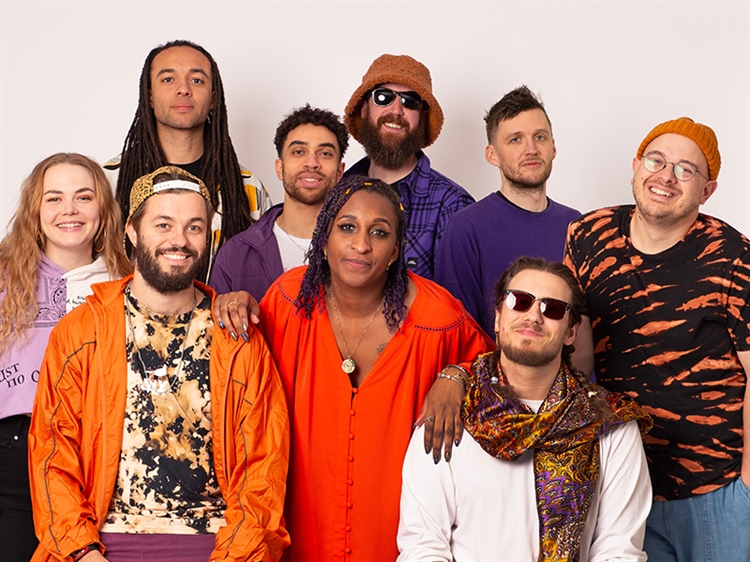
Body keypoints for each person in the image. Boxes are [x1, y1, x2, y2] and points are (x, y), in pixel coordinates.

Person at [29, 166, 289, 562]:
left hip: (214, 543)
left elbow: (264, 467)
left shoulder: (236, 339)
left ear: (208, 236)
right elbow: (52, 452)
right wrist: (84, 553)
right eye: (163, 224)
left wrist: (235, 557)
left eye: (194, 227)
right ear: (132, 231)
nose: (179, 240)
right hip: (101, 541)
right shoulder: (82, 331)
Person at [257, 174, 493, 561]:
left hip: (398, 541)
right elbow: (244, 378)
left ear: (396, 251)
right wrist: (229, 304)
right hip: (299, 535)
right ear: (324, 238)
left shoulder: (438, 320)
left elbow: (501, 370)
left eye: (379, 233)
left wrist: (457, 375)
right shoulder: (287, 301)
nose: (361, 244)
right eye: (347, 227)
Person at [564, 117, 750, 560]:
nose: (666, 176)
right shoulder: (588, 236)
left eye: (686, 169)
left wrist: (748, 484)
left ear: (707, 191)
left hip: (716, 490)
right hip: (623, 486)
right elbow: (577, 357)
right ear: (636, 166)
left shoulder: (734, 256)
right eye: (656, 160)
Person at [398, 257, 653, 561]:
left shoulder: (610, 424)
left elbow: (619, 552)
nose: (533, 316)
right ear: (497, 318)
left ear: (571, 332)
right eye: (519, 301)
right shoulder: (450, 415)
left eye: (553, 309)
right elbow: (423, 546)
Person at [0, 153, 131, 562]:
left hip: (102, 456)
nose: (69, 209)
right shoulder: (4, 276)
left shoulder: (128, 284)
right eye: (54, 198)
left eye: (84, 197)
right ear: (35, 209)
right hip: (16, 457)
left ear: (103, 210)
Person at [104, 39, 271, 280]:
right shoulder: (109, 181)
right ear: (149, 96)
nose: (183, 89)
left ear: (213, 99)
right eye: (168, 79)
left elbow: (265, 276)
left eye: (197, 80)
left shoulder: (247, 188)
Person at [435, 86, 580, 336]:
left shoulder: (576, 225)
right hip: (491, 362)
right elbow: (457, 330)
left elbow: (584, 322)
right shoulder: (467, 227)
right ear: (493, 155)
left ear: (553, 148)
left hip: (565, 362)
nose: (531, 149)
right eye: (515, 139)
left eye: (540, 137)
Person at [343, 54, 474, 280]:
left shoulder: (453, 206)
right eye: (383, 97)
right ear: (364, 110)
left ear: (422, 117)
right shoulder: (338, 190)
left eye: (410, 101)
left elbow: (455, 301)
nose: (396, 110)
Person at [210, 105, 348, 299]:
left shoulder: (358, 248)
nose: (312, 163)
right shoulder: (235, 255)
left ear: (340, 172)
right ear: (279, 168)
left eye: (325, 153)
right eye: (298, 151)